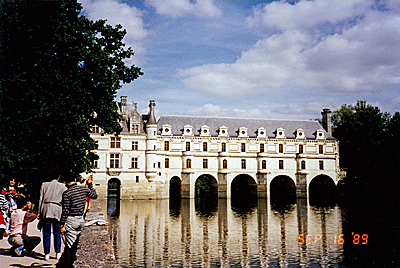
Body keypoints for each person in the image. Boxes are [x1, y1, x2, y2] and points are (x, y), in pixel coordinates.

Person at [56, 174, 98, 268]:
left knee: (71, 247)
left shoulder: (67, 193)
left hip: (71, 220)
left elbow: (65, 210)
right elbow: (94, 195)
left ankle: (72, 265)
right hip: (81, 219)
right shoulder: (84, 189)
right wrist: (90, 185)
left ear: (65, 183)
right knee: (78, 242)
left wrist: (61, 225)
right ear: (75, 180)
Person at [38, 174, 67, 261]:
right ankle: (57, 252)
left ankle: (46, 254)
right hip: (57, 209)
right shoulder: (63, 186)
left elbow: (41, 199)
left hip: (46, 209)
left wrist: (39, 211)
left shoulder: (44, 185)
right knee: (57, 233)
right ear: (58, 177)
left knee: (46, 233)